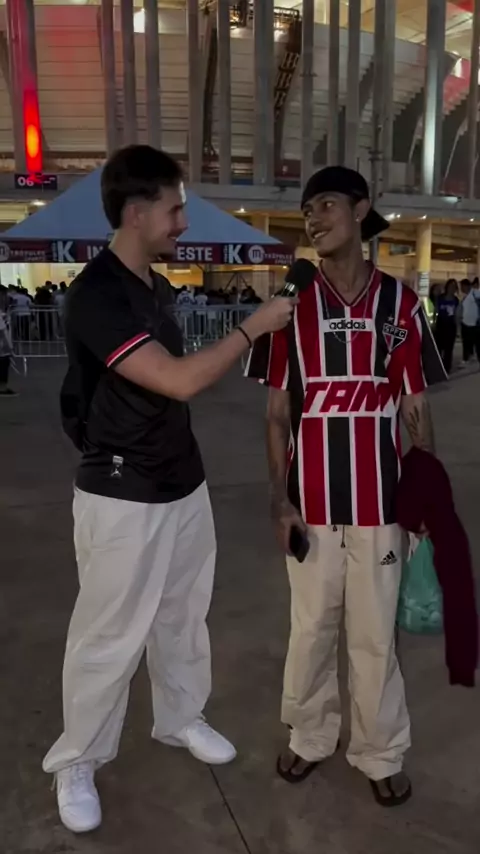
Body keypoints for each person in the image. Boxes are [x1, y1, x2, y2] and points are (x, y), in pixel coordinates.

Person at [43, 144, 294, 834]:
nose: (183, 222)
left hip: (182, 481)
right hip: (122, 493)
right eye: (174, 209)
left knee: (182, 615)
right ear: (135, 212)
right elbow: (178, 380)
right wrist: (253, 326)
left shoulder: (153, 286)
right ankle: (78, 758)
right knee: (109, 637)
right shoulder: (97, 294)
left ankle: (180, 716)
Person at [245, 165, 446, 806]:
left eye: (326, 204)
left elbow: (414, 403)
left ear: (361, 210)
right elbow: (276, 414)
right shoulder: (289, 306)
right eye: (307, 209)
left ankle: (379, 751)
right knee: (311, 630)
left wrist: (425, 491)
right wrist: (278, 499)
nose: (314, 218)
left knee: (374, 636)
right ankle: (309, 736)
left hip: (381, 505)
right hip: (310, 506)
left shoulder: (400, 304)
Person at [434, 278, 459, 374]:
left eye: (454, 287)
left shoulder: (456, 300)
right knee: (438, 348)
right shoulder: (440, 298)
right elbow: (435, 311)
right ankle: (437, 367)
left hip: (451, 326)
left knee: (449, 349)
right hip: (441, 325)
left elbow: (457, 315)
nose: (452, 288)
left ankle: (446, 368)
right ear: (447, 287)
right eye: (450, 286)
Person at [0, 285, 17, 398]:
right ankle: (2, 388)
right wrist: (8, 345)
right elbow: (1, 330)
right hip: (2, 345)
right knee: (3, 364)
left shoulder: (2, 311)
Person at [459, 278, 480, 366]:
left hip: (475, 324)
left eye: (462, 286)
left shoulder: (475, 293)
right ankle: (466, 358)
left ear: (466, 286)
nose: (461, 289)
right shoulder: (465, 297)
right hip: (465, 323)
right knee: (466, 343)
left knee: (477, 343)